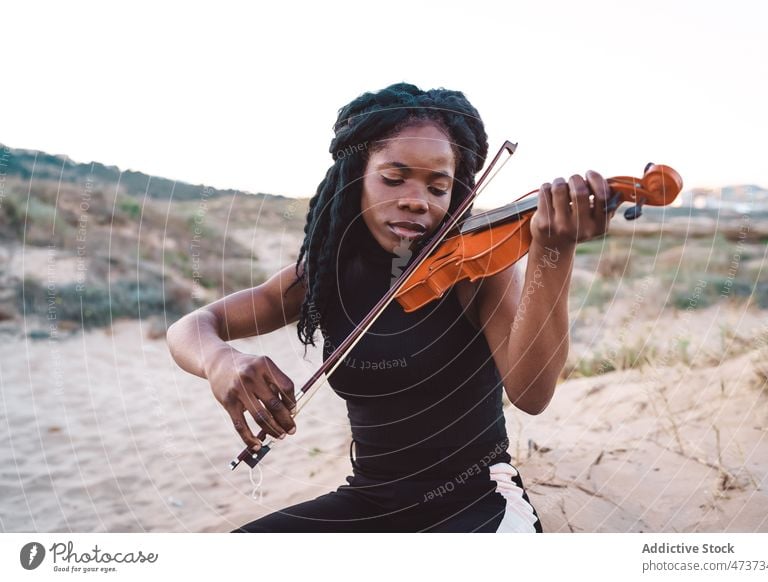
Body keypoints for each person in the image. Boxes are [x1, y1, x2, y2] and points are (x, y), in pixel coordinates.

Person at [166, 82, 618, 532]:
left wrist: (553, 252)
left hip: (478, 504)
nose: (416, 200)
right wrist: (219, 359)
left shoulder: (475, 270)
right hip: (371, 501)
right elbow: (194, 325)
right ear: (355, 177)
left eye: (438, 187)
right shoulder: (326, 275)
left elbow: (533, 394)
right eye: (394, 178)